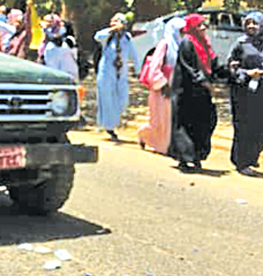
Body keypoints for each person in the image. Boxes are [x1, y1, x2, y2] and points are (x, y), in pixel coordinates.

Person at [169, 13, 228, 172]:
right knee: (186, 124)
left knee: (205, 122)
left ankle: (196, 155)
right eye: (199, 25)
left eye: (204, 25)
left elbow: (213, 65)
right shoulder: (187, 43)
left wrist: (229, 73)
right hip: (186, 92)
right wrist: (205, 83)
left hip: (201, 92)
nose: (203, 28)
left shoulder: (205, 44)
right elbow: (190, 69)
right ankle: (185, 157)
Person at [137, 17, 186, 154]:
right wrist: (163, 84)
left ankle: (166, 146)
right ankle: (144, 135)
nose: (183, 33)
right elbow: (155, 67)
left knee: (170, 119)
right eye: (181, 30)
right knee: (159, 120)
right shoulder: (164, 44)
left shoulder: (181, 45)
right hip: (162, 88)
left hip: (175, 85)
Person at [94, 13, 141, 140]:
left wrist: (138, 70)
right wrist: (112, 29)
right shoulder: (107, 36)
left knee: (123, 100)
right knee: (107, 99)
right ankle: (109, 127)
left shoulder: (127, 37)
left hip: (121, 73)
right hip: (106, 72)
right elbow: (97, 37)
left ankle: (112, 121)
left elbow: (134, 54)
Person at [227, 12, 263, 175]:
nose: (251, 27)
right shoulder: (240, 44)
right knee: (244, 127)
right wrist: (248, 73)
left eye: (255, 23)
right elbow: (231, 68)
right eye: (248, 23)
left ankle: (252, 157)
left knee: (258, 127)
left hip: (260, 93)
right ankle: (242, 161)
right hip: (243, 93)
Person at [41, 14, 79, 81]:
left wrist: (46, 31)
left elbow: (57, 42)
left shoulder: (69, 41)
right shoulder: (48, 42)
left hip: (67, 73)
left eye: (61, 25)